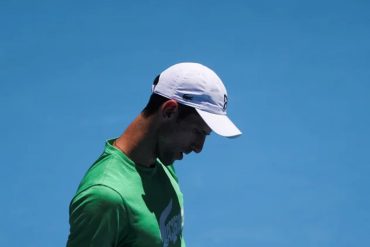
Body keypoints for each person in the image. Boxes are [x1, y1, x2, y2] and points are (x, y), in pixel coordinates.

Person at [66, 62, 242, 247]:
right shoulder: (105, 197)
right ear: (169, 111)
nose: (198, 147)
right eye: (198, 132)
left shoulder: (163, 164)